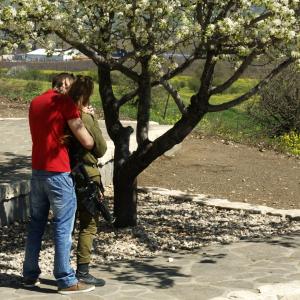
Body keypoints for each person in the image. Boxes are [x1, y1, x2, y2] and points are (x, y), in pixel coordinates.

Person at [23, 73, 96, 295]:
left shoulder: (35, 102)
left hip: (37, 171)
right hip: (59, 173)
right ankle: (66, 279)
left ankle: (29, 274)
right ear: (64, 86)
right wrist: (83, 117)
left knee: (36, 224)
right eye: (71, 89)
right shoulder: (63, 103)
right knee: (63, 226)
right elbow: (87, 141)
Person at [67, 75, 107, 286]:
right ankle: (83, 270)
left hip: (65, 174)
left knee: (66, 225)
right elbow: (100, 148)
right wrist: (95, 121)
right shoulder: (85, 117)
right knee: (89, 224)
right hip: (87, 175)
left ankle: (63, 267)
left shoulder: (62, 114)